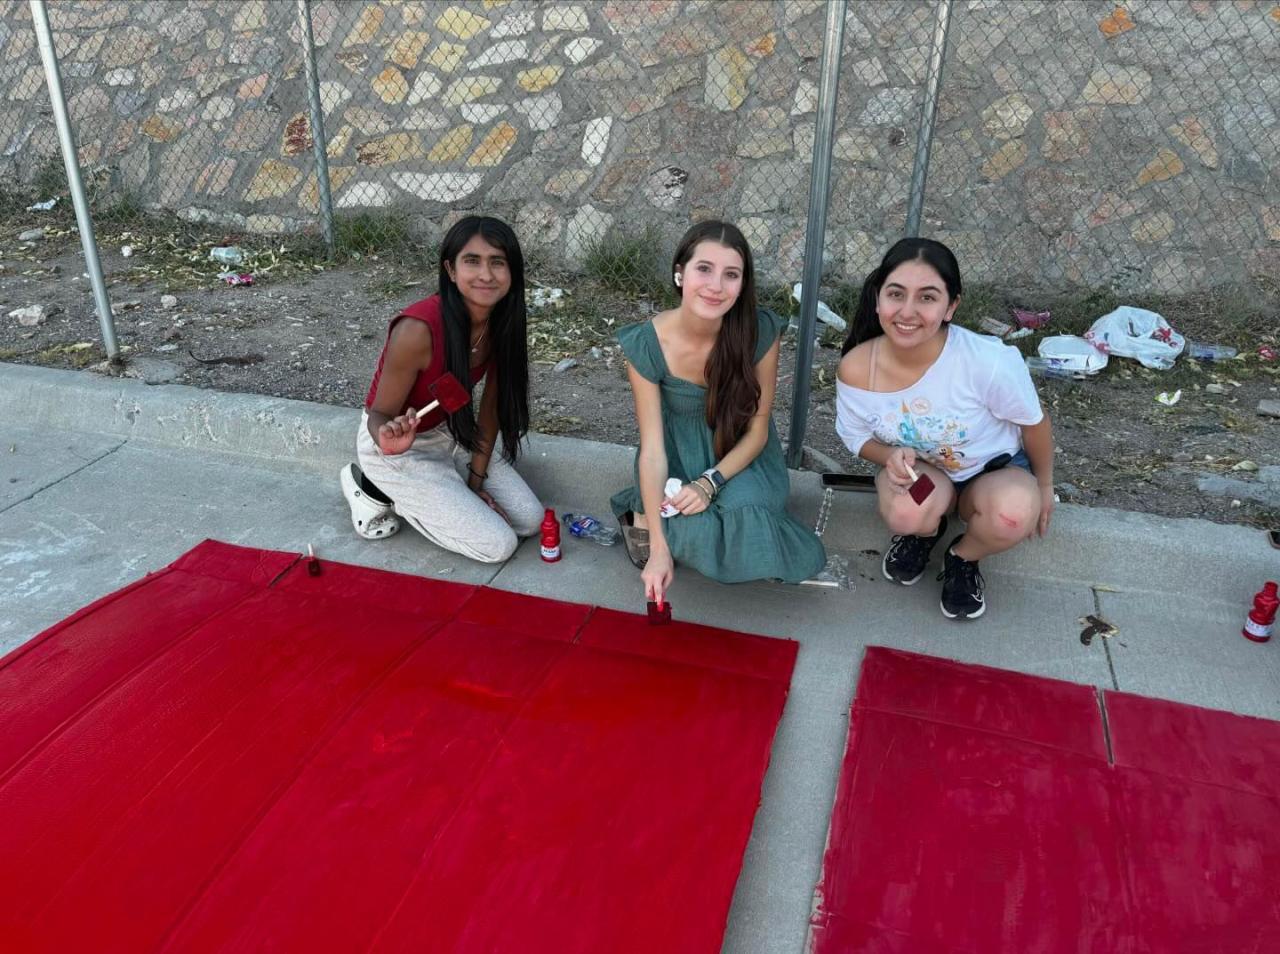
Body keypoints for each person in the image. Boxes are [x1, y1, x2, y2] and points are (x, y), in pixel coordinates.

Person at [835, 238, 1054, 620]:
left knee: (1013, 513)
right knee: (906, 513)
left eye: (927, 297)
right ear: (878, 298)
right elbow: (854, 435)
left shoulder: (987, 361)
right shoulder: (857, 367)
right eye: (896, 294)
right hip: (927, 474)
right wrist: (889, 456)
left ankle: (962, 557)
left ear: (951, 306)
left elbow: (1034, 423)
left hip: (994, 472)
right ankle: (925, 533)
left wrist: (1045, 486)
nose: (907, 311)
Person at [611, 220, 826, 605]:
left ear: (743, 284)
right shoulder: (646, 344)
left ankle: (652, 514)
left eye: (731, 274)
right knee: (688, 529)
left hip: (740, 455)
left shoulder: (759, 331)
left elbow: (758, 430)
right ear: (680, 273)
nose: (715, 286)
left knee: (752, 516)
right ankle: (643, 515)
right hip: (679, 455)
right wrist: (659, 550)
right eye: (704, 269)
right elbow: (653, 451)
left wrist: (708, 483)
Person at [338, 215, 542, 562]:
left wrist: (475, 485)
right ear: (450, 269)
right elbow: (380, 414)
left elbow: (491, 410)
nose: (486, 275)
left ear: (513, 271)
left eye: (498, 262)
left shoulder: (502, 320)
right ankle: (372, 489)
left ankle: (443, 491)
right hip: (397, 446)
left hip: (451, 433)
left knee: (529, 519)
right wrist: (387, 440)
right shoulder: (417, 329)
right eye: (472, 261)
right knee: (498, 546)